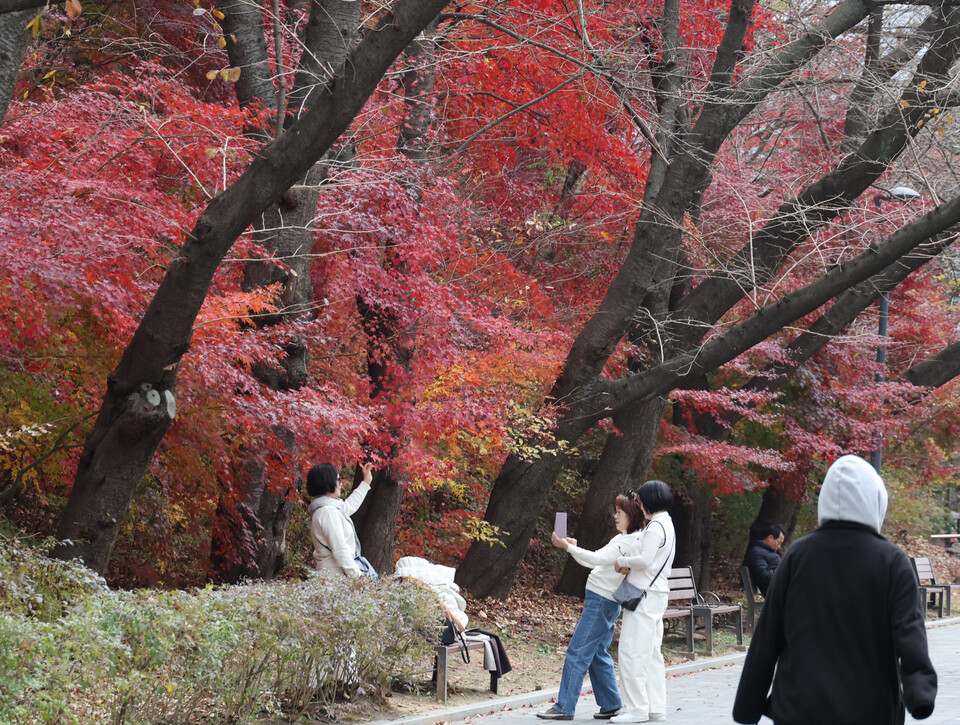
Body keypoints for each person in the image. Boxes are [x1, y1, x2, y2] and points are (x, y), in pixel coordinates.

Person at [733, 455, 937, 725]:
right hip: (869, 707)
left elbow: (768, 636)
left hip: (800, 705)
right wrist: (919, 691)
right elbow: (909, 631)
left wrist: (748, 705)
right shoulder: (891, 561)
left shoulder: (798, 556)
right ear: (876, 500)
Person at [536, 492, 645, 721]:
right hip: (605, 601)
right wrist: (573, 548)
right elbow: (597, 561)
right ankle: (611, 704)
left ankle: (564, 707)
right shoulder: (625, 537)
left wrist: (566, 547)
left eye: (619, 512)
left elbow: (595, 559)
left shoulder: (626, 541)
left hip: (601, 601)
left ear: (632, 515)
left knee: (577, 651)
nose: (615, 516)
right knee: (596, 653)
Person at [611, 480, 675, 724]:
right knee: (650, 654)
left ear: (649, 500)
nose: (638, 504)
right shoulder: (666, 523)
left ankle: (636, 709)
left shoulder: (657, 526)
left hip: (644, 596)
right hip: (656, 595)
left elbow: (646, 560)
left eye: (639, 500)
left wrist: (623, 561)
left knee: (632, 652)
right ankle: (655, 707)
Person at [306, 461, 375, 576]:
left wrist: (366, 482)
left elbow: (349, 506)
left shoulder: (327, 508)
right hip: (335, 576)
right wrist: (357, 576)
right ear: (327, 483)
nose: (340, 484)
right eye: (338, 480)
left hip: (335, 574)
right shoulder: (327, 512)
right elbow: (340, 548)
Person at [744, 524, 785, 596]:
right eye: (779, 542)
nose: (779, 546)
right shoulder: (758, 552)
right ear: (770, 538)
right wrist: (782, 571)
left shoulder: (767, 552)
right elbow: (763, 575)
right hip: (775, 592)